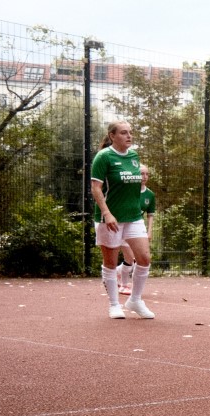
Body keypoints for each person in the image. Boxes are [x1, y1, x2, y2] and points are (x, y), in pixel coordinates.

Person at [91, 121, 155, 319]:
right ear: (112, 135)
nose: (129, 136)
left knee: (144, 258)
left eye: (131, 132)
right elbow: (96, 188)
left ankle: (135, 300)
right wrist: (107, 213)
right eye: (124, 133)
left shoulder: (134, 157)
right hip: (110, 218)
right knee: (110, 262)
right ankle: (113, 304)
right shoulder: (103, 157)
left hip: (134, 216)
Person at [117, 164, 156, 295]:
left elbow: (150, 215)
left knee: (139, 258)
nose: (144, 177)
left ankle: (118, 272)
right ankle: (123, 284)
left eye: (147, 174)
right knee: (130, 258)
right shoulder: (127, 191)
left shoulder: (150, 195)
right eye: (141, 173)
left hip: (137, 228)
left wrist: (149, 231)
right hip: (122, 225)